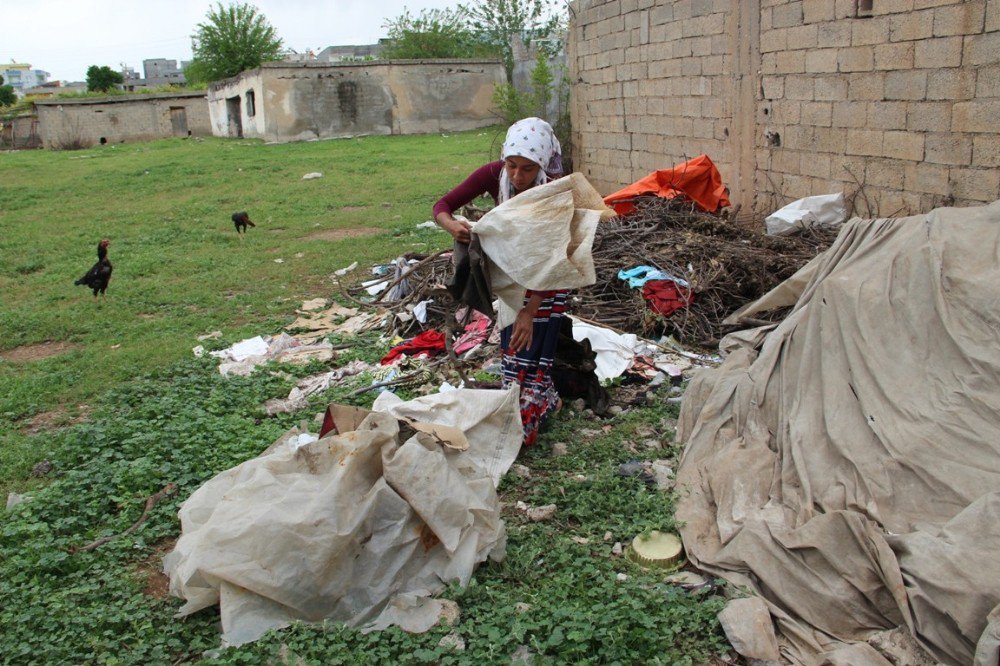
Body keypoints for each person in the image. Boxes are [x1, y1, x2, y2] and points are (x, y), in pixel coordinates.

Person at [433, 117, 565, 446]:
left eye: (527, 169)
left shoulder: (554, 192)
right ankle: (543, 399)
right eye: (512, 165)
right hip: (511, 281)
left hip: (549, 280)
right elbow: (442, 205)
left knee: (533, 353)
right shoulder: (495, 174)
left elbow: (554, 258)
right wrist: (452, 227)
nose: (518, 177)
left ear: (543, 164)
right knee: (514, 354)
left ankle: (535, 405)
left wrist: (530, 310)